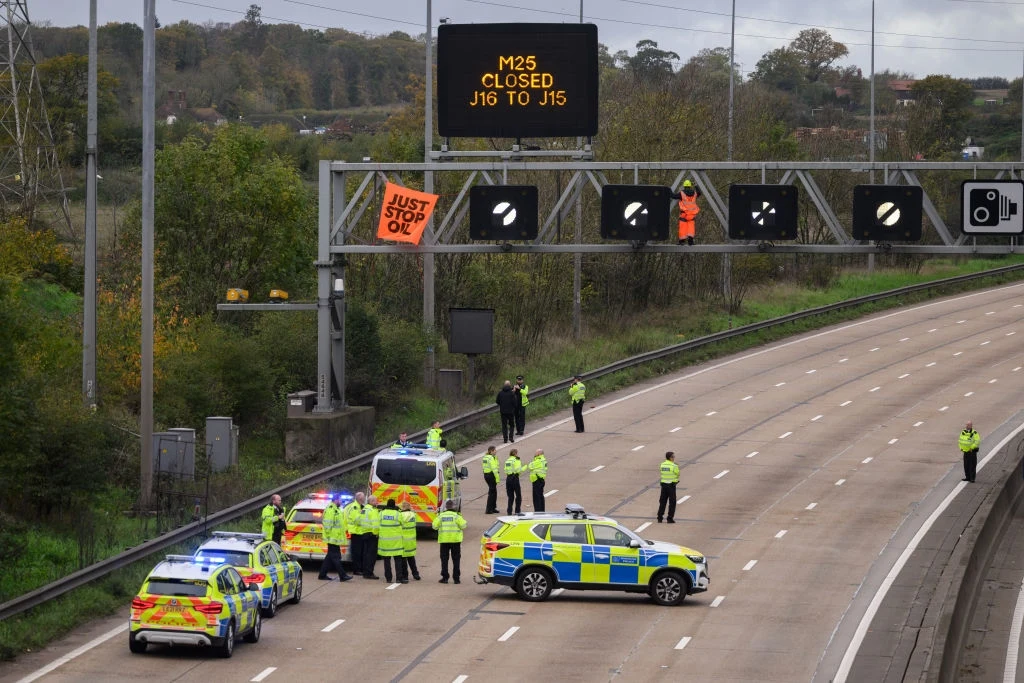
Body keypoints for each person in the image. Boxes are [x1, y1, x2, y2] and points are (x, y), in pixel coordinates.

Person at [318, 494, 353, 581]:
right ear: (336, 500)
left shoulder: (336, 509)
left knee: (330, 557)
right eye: (340, 500)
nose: (341, 502)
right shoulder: (331, 509)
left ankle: (322, 575)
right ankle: (343, 575)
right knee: (336, 557)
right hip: (332, 538)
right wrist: (329, 535)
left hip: (335, 538)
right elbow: (327, 524)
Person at [432, 500, 467, 584]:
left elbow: (434, 526)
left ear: (446, 507)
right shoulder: (456, 516)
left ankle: (445, 577)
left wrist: (437, 515)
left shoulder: (441, 516)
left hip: (444, 541)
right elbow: (464, 526)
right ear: (453, 507)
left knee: (444, 560)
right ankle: (456, 578)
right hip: (455, 541)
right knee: (456, 560)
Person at [377, 499, 404, 583]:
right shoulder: (398, 514)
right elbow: (402, 523)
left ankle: (388, 578)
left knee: (386, 561)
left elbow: (377, 524)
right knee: (398, 561)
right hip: (396, 542)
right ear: (394, 505)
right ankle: (399, 578)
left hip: (385, 542)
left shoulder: (381, 513)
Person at [670, 179, 702, 246]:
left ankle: (682, 241)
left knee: (683, 228)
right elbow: (699, 193)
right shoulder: (694, 194)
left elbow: (673, 196)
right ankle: (690, 241)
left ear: (684, 186)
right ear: (690, 186)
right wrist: (696, 185)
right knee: (691, 228)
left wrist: (669, 190)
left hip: (684, 215)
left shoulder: (681, 193)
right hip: (692, 215)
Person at [344, 492, 366, 576]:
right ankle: (356, 569)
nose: (364, 499)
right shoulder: (355, 507)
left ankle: (359, 568)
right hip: (356, 532)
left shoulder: (359, 506)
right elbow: (357, 520)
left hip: (359, 532)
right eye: (363, 497)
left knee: (360, 552)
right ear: (360, 499)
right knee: (356, 552)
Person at [399, 500, 421, 582]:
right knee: (411, 558)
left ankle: (405, 576)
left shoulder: (400, 515)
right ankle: (416, 574)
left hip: (403, 540)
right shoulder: (414, 515)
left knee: (403, 560)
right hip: (411, 540)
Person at [360, 495, 381, 579]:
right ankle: (369, 573)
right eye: (376, 501)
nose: (377, 502)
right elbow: (375, 524)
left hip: (364, 533)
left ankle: (365, 572)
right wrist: (376, 534)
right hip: (372, 534)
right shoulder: (373, 511)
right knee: (371, 555)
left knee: (366, 554)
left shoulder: (364, 509)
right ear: (371, 502)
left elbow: (359, 521)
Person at [657, 452, 680, 523]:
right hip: (671, 485)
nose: (674, 458)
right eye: (673, 457)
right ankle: (670, 518)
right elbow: (677, 474)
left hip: (663, 485)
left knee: (662, 502)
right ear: (670, 457)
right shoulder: (674, 466)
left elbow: (661, 472)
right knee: (672, 502)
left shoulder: (662, 465)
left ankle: (659, 517)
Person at [482, 445, 501, 514]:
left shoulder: (485, 457)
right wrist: (497, 479)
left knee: (493, 491)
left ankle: (493, 507)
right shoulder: (491, 458)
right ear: (491, 451)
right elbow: (494, 469)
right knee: (492, 492)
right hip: (491, 475)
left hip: (486, 475)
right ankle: (489, 509)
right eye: (495, 450)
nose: (496, 451)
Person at [504, 449, 523, 515]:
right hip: (515, 478)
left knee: (510, 496)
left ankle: (509, 511)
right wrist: (524, 468)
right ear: (515, 454)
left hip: (508, 478)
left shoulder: (507, 460)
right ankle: (517, 511)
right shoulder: (516, 460)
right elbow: (518, 470)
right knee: (518, 495)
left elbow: (505, 470)